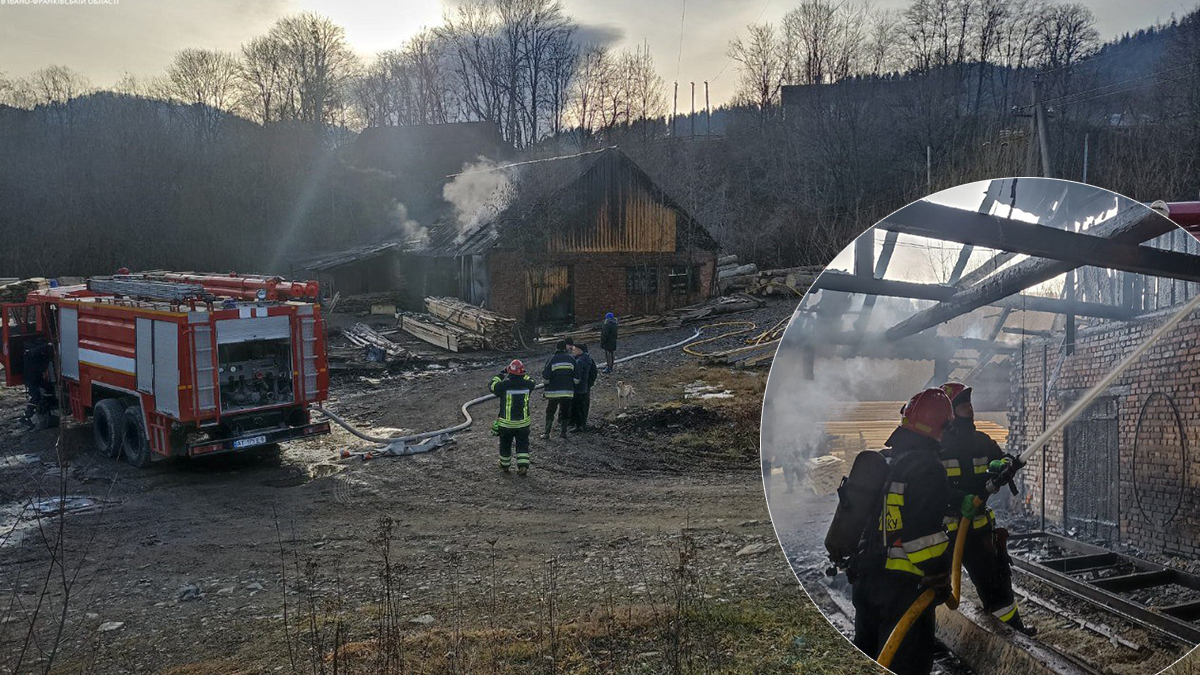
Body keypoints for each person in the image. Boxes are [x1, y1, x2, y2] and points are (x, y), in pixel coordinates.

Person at [851, 388, 954, 675]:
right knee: (905, 665)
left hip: (867, 581)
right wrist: (939, 573)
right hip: (905, 588)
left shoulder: (887, 461)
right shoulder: (928, 468)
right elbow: (921, 538)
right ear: (942, 426)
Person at [939, 381, 1033, 635]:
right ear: (949, 412)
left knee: (996, 584)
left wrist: (1003, 464)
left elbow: (1001, 456)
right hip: (943, 535)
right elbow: (930, 487)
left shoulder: (981, 441)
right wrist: (959, 500)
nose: (969, 408)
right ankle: (928, 633)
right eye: (961, 405)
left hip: (978, 530)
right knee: (932, 587)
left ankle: (1012, 632)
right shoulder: (937, 446)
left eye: (969, 403)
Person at [489, 360, 536, 475]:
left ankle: (504, 465)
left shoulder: (504, 385)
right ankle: (523, 466)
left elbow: (492, 385)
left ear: (510, 372)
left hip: (506, 424)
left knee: (505, 444)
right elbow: (531, 380)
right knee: (523, 444)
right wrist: (522, 372)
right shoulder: (529, 385)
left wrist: (501, 373)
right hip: (523, 424)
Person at [541, 340, 576, 439]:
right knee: (565, 412)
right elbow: (577, 377)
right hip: (567, 392)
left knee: (550, 412)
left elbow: (546, 376)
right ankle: (563, 433)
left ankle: (547, 433)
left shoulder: (552, 359)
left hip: (553, 393)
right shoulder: (571, 359)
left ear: (556, 348)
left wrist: (547, 386)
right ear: (565, 348)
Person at [21, 337, 54, 429]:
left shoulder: (38, 354)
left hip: (37, 378)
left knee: (50, 388)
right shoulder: (29, 352)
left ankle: (46, 404)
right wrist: (47, 346)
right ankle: (26, 416)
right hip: (31, 379)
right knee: (36, 396)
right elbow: (33, 352)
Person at [570, 344, 599, 431]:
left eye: (574, 349)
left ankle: (579, 426)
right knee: (584, 406)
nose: (573, 351)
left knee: (577, 407)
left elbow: (575, 376)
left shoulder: (579, 362)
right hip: (586, 387)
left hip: (578, 388)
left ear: (580, 350)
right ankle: (583, 423)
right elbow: (594, 372)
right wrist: (589, 384)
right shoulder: (589, 359)